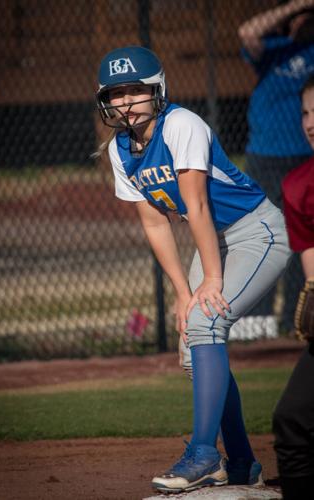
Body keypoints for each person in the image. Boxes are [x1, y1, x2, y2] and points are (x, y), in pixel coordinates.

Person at [95, 45, 292, 494]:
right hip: (216, 241)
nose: (125, 102)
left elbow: (198, 205)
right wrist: (184, 292)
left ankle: (205, 454)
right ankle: (241, 462)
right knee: (193, 343)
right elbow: (154, 222)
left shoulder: (180, 124)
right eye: (116, 93)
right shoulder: (120, 150)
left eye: (135, 91)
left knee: (207, 321)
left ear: (158, 90)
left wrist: (212, 281)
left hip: (256, 232)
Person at [238, 0, 314, 334]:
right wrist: (298, 5)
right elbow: (247, 32)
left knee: (303, 241)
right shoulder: (273, 48)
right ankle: (259, 324)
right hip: (265, 156)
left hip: (304, 159)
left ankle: (297, 321)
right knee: (262, 238)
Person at [272, 74, 314, 500]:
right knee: (291, 420)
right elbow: (313, 273)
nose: (311, 121)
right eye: (305, 112)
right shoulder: (299, 185)